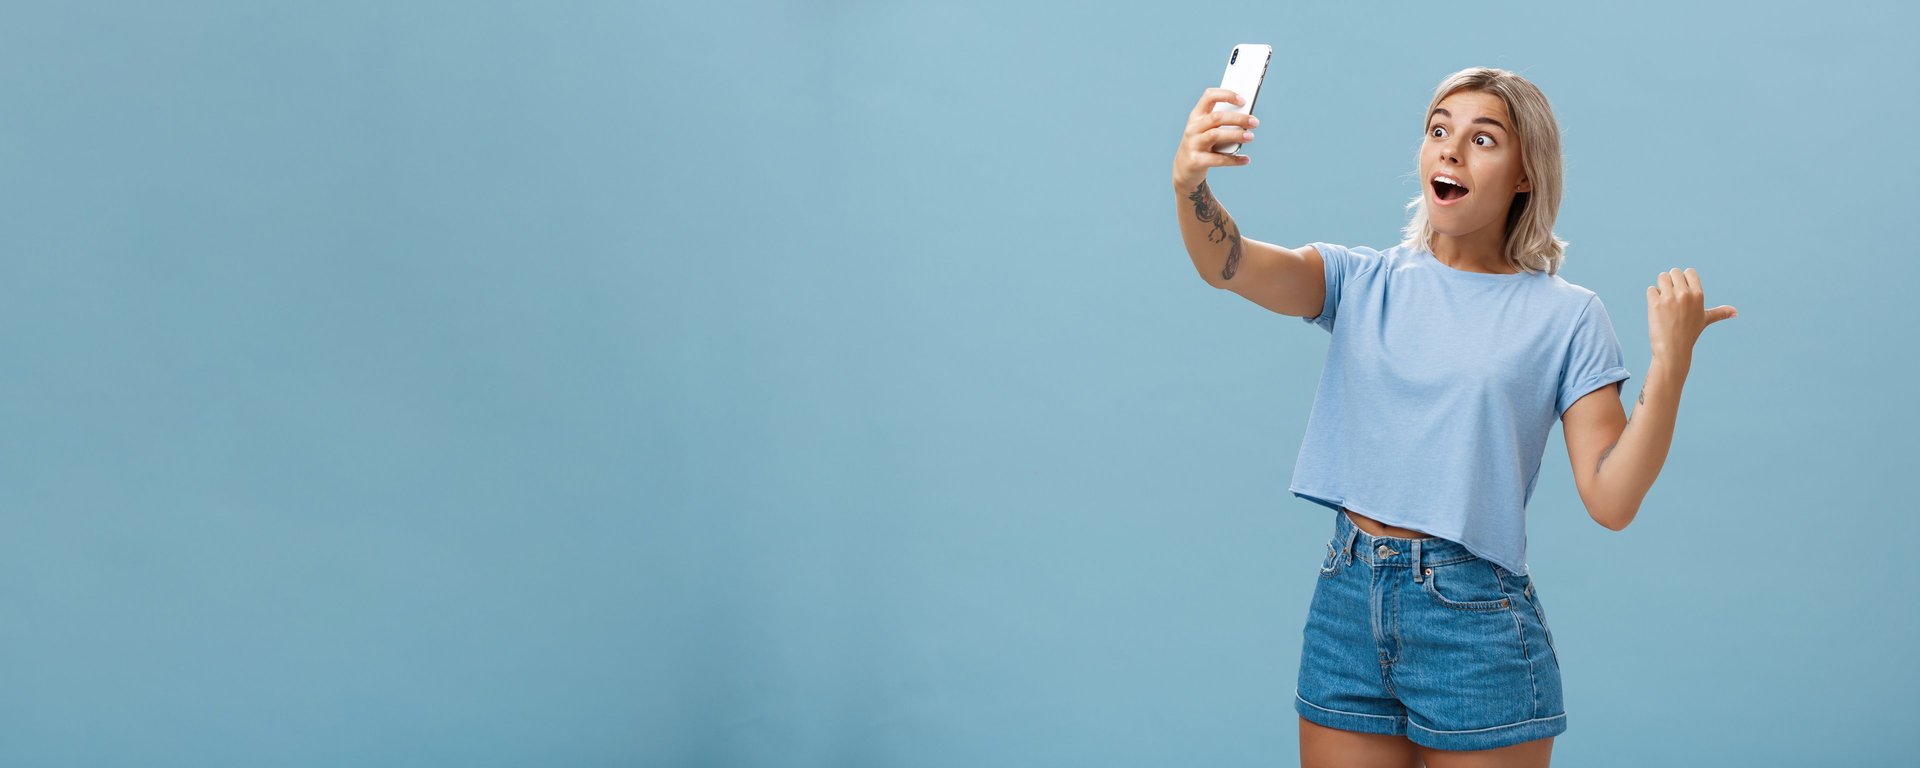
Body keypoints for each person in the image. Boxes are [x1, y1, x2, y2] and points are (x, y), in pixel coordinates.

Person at [1169, 67, 1737, 768]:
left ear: (1526, 173)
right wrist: (1190, 186)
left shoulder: (1567, 315)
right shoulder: (1360, 279)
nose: (1450, 150)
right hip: (1347, 600)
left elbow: (1612, 498)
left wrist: (1670, 367)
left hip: (1473, 621)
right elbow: (1229, 265)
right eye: (1439, 130)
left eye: (1483, 139)